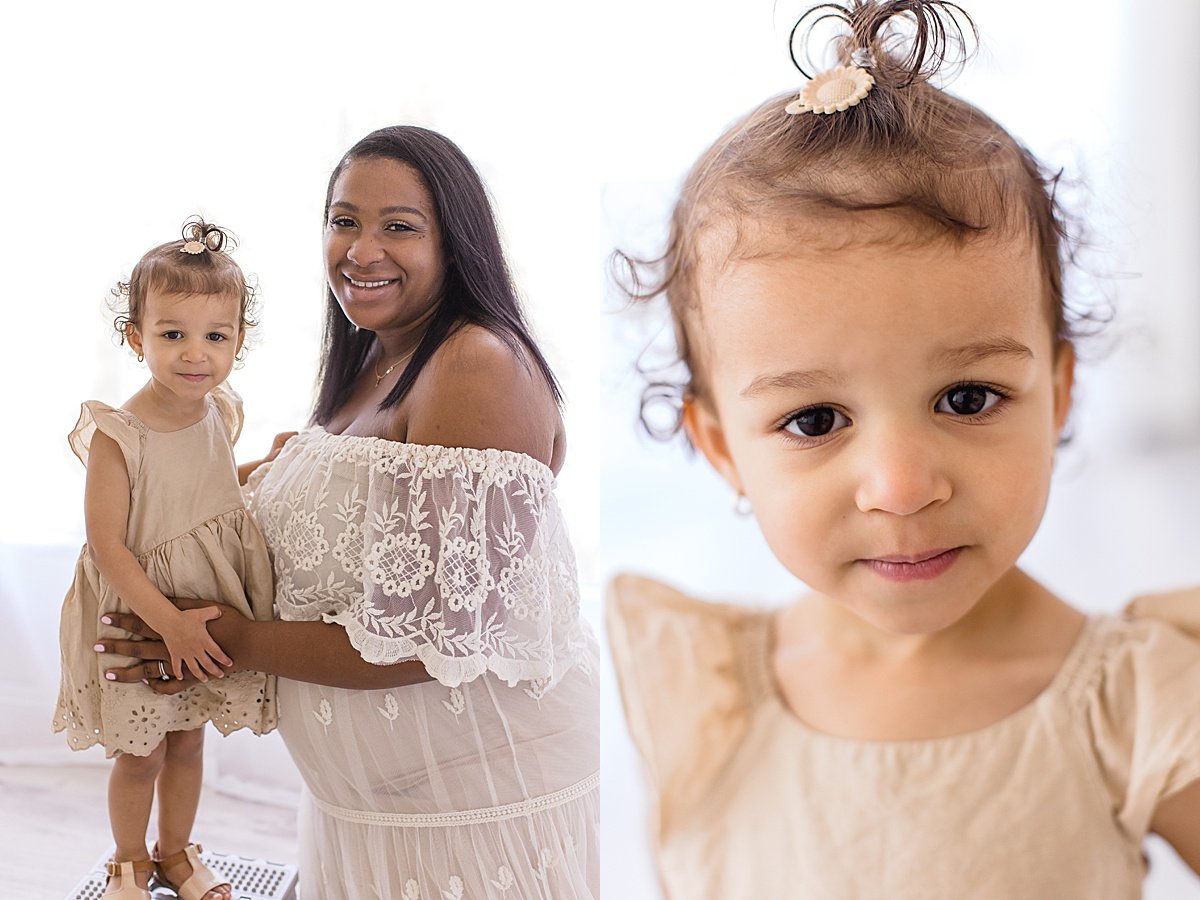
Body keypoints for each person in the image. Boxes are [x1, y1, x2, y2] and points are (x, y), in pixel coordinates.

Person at [605, 2, 1200, 897]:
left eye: (968, 398)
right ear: (722, 449)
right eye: (814, 420)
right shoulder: (706, 697)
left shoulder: (1135, 703)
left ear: (1060, 393)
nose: (901, 486)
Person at [98, 126, 600, 899]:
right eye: (343, 221)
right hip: (371, 809)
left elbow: (432, 637)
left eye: (398, 225)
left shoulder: (474, 365)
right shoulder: (377, 356)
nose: (361, 251)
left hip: (477, 808)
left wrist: (226, 642)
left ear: (456, 239)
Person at [53, 218, 279, 900]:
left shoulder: (219, 411)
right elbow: (108, 546)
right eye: (172, 333)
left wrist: (254, 469)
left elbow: (199, 491)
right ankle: (129, 861)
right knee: (142, 749)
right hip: (140, 613)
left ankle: (176, 852)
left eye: (216, 336)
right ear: (136, 336)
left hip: (202, 604)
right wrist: (170, 626)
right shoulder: (118, 435)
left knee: (189, 741)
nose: (194, 354)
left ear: (239, 340)